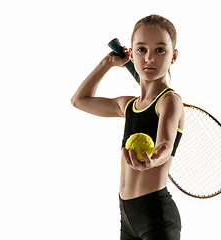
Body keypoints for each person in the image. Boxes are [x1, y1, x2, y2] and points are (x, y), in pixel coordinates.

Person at [71, 14, 184, 240]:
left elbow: (165, 144)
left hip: (156, 218)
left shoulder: (169, 101)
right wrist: (107, 64)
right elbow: (79, 100)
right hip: (127, 216)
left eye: (160, 50)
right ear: (131, 53)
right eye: (141, 49)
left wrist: (154, 159)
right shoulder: (128, 105)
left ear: (173, 56)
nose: (149, 58)